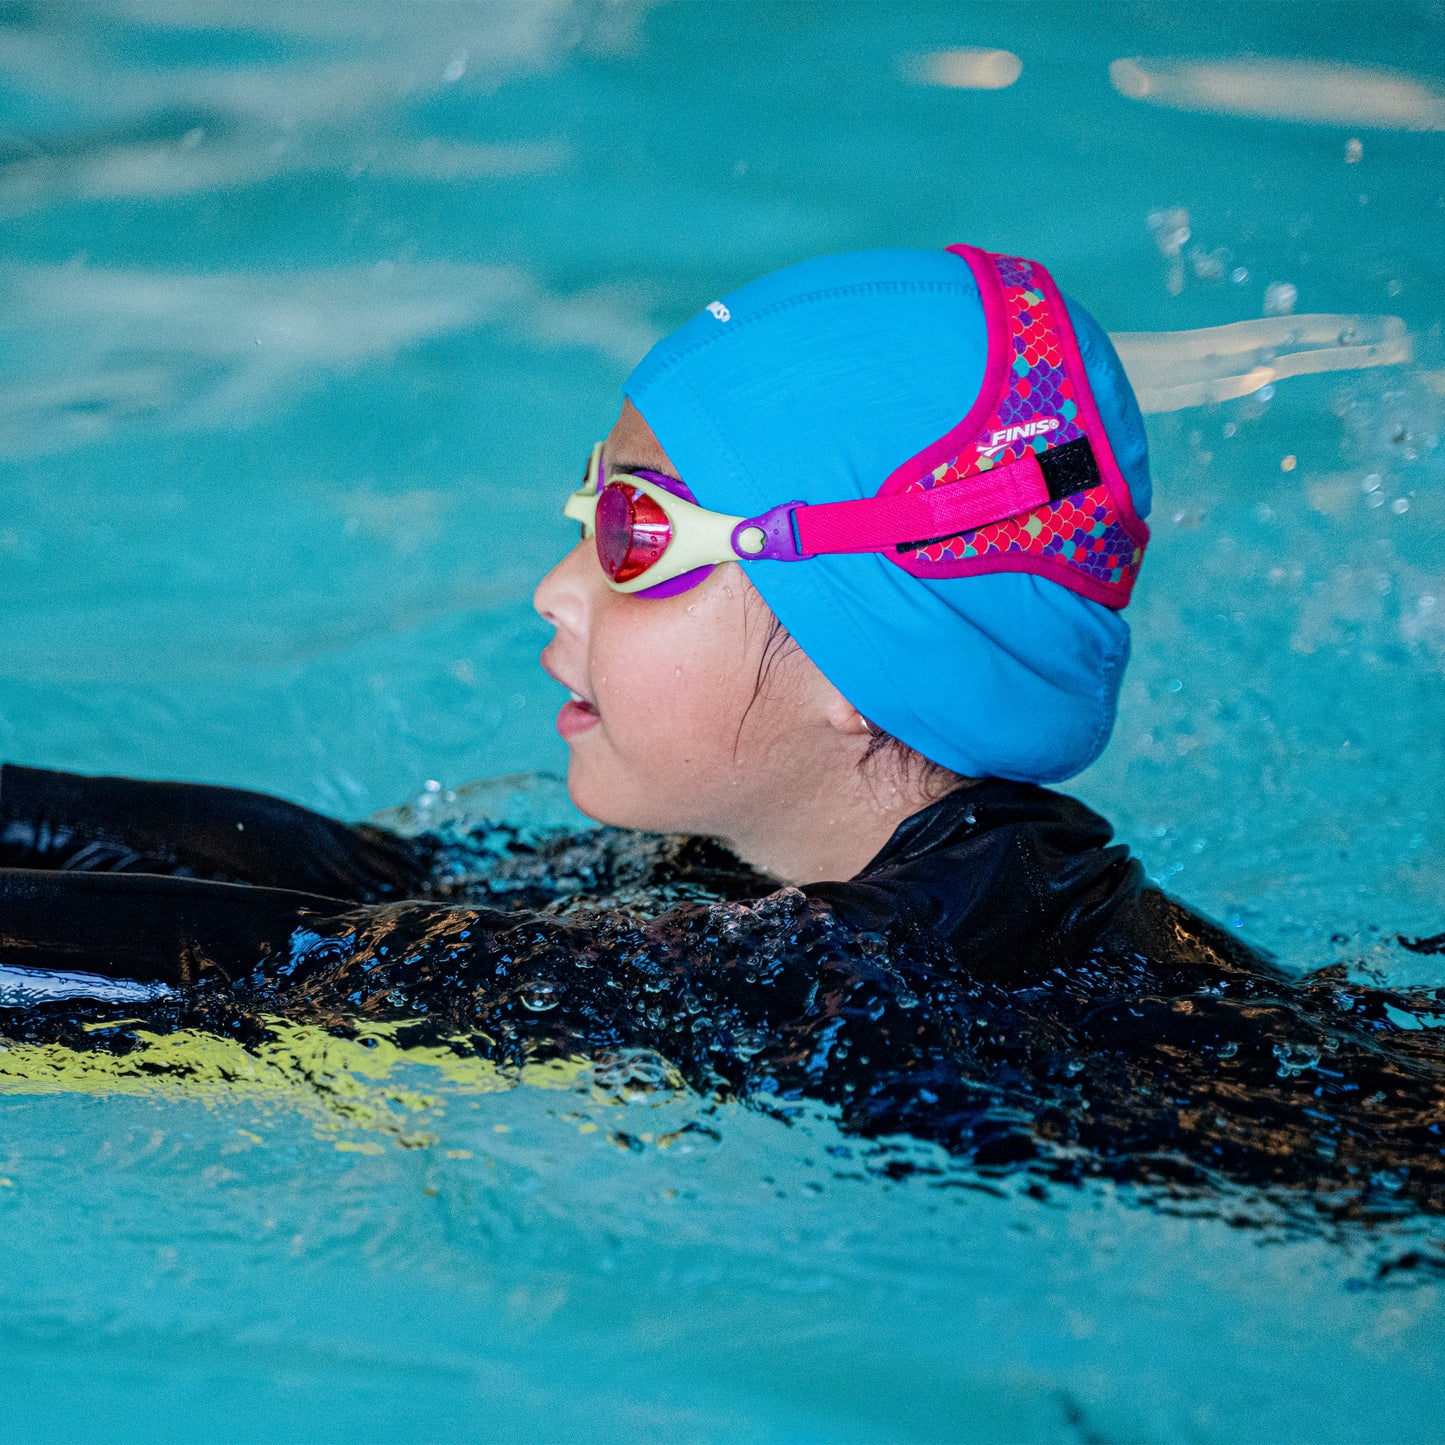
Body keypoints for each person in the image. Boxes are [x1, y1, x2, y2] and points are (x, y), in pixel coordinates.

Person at [2, 245, 1441, 1212]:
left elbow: (363, 974)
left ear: (847, 653)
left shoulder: (905, 954)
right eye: (589, 511)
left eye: (633, 534)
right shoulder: (767, 857)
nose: (553, 589)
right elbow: (371, 879)